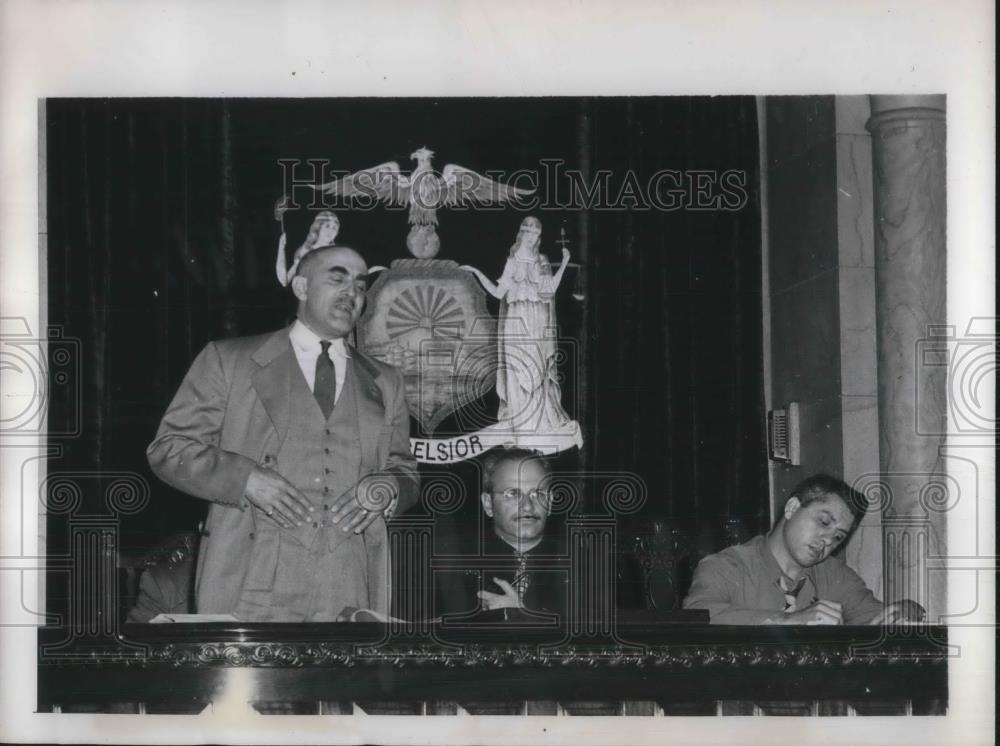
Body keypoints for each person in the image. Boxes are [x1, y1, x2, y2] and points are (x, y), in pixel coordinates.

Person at [147, 243, 419, 622]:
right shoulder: (229, 360)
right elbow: (169, 449)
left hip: (349, 582)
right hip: (251, 577)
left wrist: (389, 488)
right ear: (302, 288)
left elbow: (404, 467)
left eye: (360, 286)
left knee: (345, 684)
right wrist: (245, 478)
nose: (351, 294)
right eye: (337, 278)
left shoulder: (386, 381)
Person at [683, 474, 926, 625]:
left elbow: (876, 617)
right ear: (791, 508)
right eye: (823, 522)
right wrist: (786, 621)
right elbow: (698, 615)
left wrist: (906, 611)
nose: (827, 541)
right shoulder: (726, 566)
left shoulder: (834, 574)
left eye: (838, 537)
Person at [461, 217, 573, 435]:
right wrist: (476, 272)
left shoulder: (542, 261)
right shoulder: (512, 262)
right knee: (517, 368)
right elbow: (497, 293)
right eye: (529, 232)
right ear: (521, 234)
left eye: (536, 234)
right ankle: (519, 425)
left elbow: (549, 291)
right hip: (516, 322)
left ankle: (539, 426)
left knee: (537, 370)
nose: (532, 238)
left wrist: (565, 263)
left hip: (537, 322)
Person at [435, 447, 569, 620]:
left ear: (550, 502)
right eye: (513, 494)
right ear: (488, 504)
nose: (527, 506)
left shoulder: (586, 566)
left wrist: (524, 616)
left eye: (538, 494)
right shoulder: (451, 564)